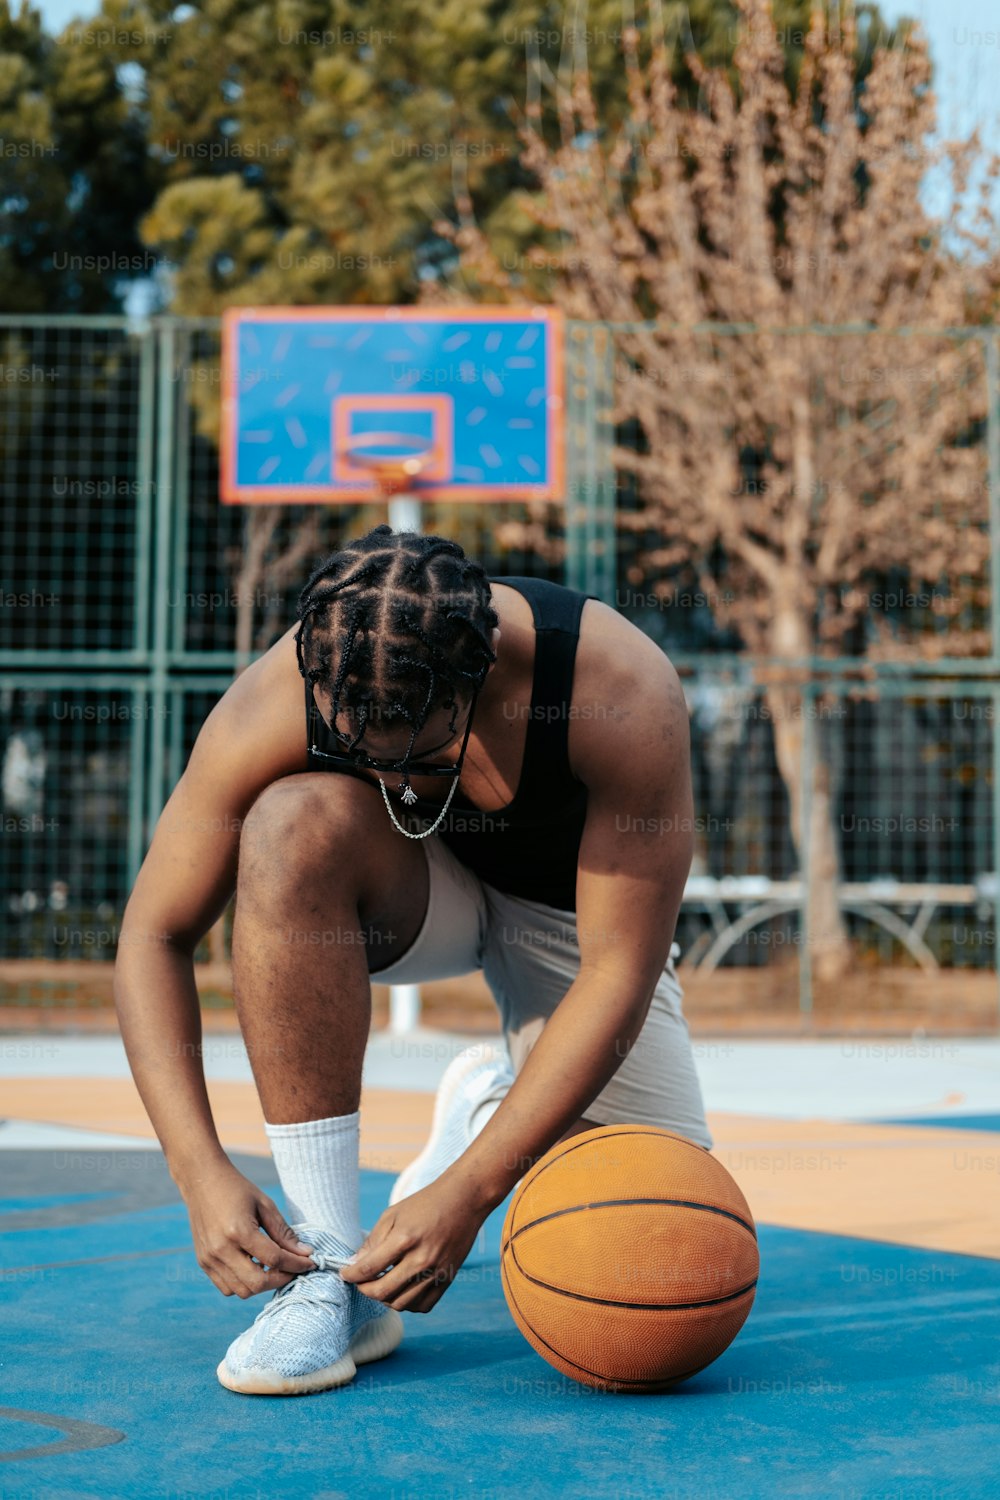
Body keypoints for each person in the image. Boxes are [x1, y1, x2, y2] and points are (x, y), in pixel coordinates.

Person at [114, 524, 710, 1396]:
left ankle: (486, 1114)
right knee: (289, 825)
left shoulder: (615, 688)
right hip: (403, 891)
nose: (393, 775)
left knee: (657, 1244)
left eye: (420, 754)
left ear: (485, 671)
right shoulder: (283, 693)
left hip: (568, 919)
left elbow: (616, 971)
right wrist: (196, 1168)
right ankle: (326, 1270)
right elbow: (152, 936)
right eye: (365, 752)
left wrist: (471, 1189)